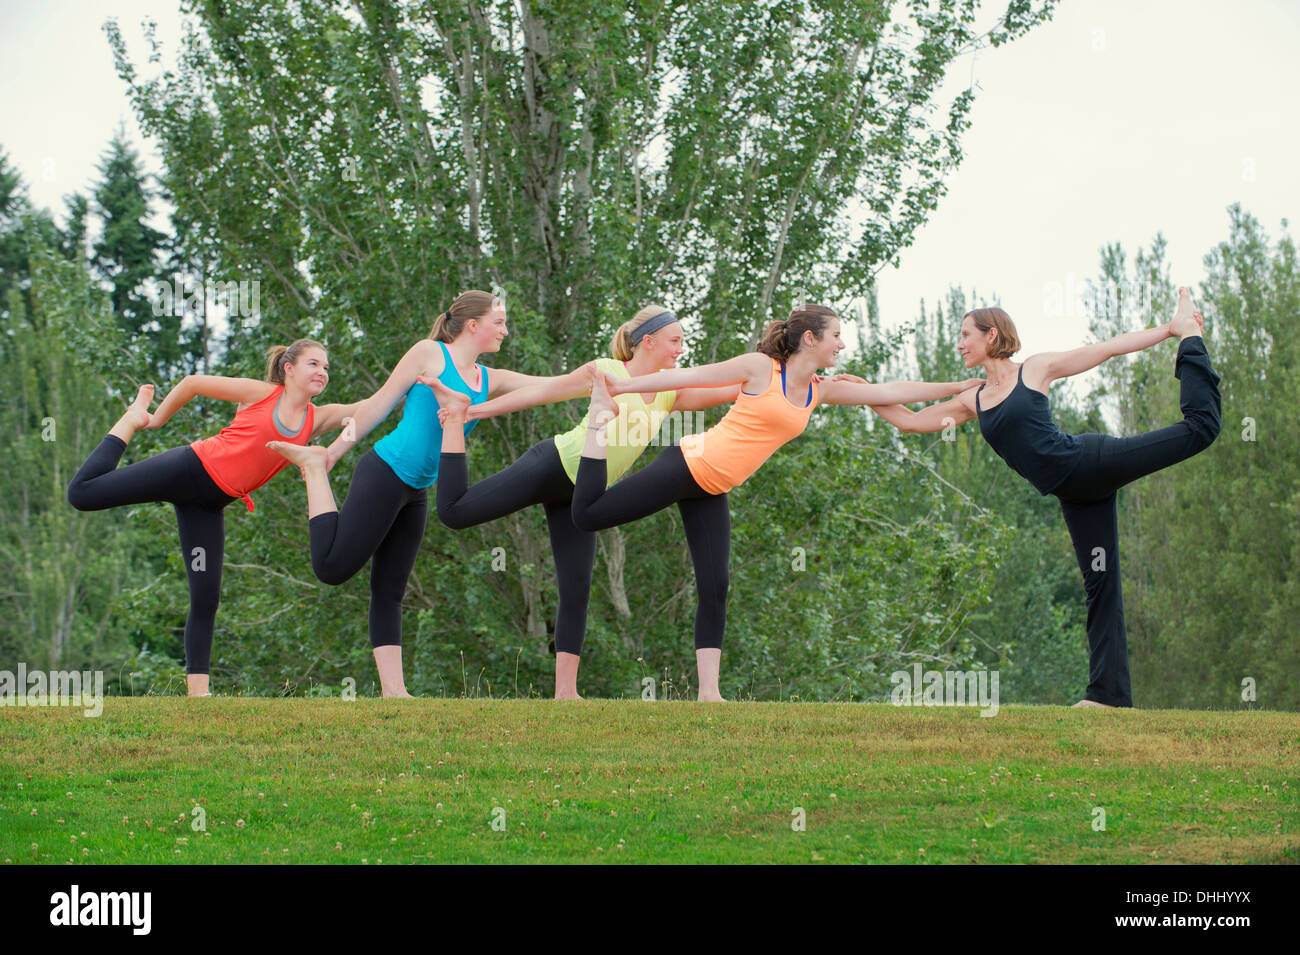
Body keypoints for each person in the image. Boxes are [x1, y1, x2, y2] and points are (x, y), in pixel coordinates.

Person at [557, 303, 981, 701]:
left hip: (713, 487)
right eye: (837, 335)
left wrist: (957, 386)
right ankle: (598, 423)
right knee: (589, 515)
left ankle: (709, 693)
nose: (843, 344)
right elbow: (690, 377)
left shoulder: (819, 391)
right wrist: (622, 386)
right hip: (686, 465)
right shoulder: (761, 368)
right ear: (811, 339)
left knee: (716, 586)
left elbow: (891, 390)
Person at [868, 287, 1220, 708]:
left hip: (1093, 463)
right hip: (1076, 496)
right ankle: (1108, 698)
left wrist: (1168, 331)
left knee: (1201, 428)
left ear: (992, 335)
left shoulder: (1034, 370)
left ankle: (1190, 339)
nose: (959, 343)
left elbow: (1104, 350)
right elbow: (910, 422)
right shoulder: (972, 400)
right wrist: (866, 395)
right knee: (1100, 586)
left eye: (966, 334)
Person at [268, 290, 583, 697]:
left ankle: (393, 691)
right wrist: (331, 453)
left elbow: (554, 386)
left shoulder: (490, 379)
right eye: (499, 323)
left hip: (416, 490)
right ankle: (312, 468)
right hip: (384, 472)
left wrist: (608, 378)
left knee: (390, 589)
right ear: (474, 325)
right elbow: (379, 405)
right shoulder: (428, 354)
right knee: (331, 568)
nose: (505, 331)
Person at [68, 340, 359, 697]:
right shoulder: (261, 394)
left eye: (327, 367)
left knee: (206, 597)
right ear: (289, 368)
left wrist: (409, 388)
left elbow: (363, 414)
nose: (322, 373)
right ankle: (130, 419)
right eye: (314, 364)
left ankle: (199, 696)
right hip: (187, 469)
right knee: (82, 494)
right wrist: (154, 420)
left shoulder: (317, 418)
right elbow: (191, 383)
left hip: (207, 505)